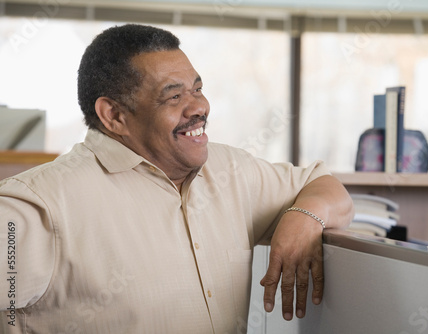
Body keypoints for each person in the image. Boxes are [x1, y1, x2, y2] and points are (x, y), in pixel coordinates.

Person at [0, 24, 353, 333]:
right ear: (114, 115)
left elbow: (326, 186)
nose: (199, 107)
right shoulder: (38, 207)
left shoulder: (231, 170)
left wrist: (305, 216)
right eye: (174, 96)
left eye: (197, 89)